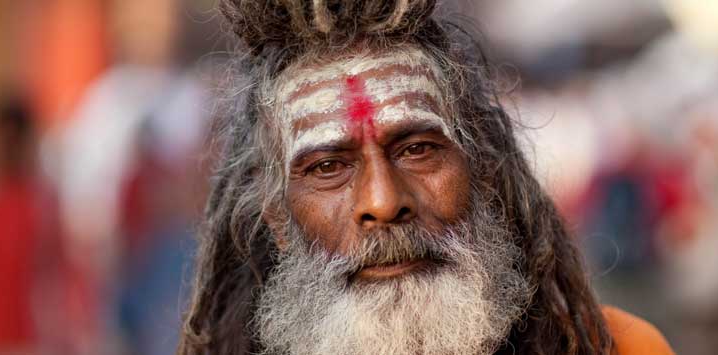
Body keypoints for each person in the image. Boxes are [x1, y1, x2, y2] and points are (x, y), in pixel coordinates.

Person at [179, 1, 674, 354]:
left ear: (482, 174)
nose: (383, 201)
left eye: (417, 150)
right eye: (328, 167)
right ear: (280, 222)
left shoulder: (618, 349)